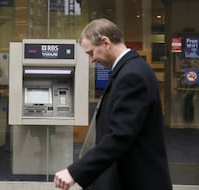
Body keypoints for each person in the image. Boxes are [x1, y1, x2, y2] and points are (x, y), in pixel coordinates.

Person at [54, 18, 172, 190]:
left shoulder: (132, 75)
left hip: (138, 181)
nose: (92, 59)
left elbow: (120, 135)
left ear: (106, 42)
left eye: (91, 52)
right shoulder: (128, 69)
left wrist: (75, 172)